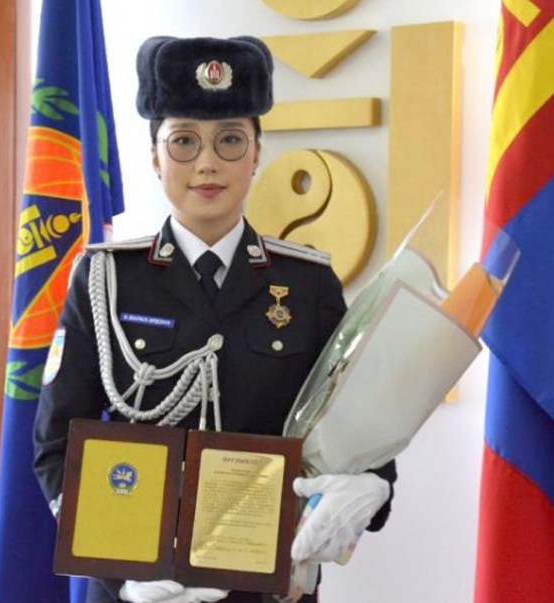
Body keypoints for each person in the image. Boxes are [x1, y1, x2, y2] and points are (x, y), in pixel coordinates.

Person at [33, 35, 397, 603]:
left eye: (230, 140)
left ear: (257, 154)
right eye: (183, 141)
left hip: (269, 585)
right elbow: (56, 443)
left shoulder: (308, 284)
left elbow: (361, 423)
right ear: (155, 158)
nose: (207, 163)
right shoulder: (106, 279)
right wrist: (121, 576)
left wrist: (374, 486)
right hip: (142, 589)